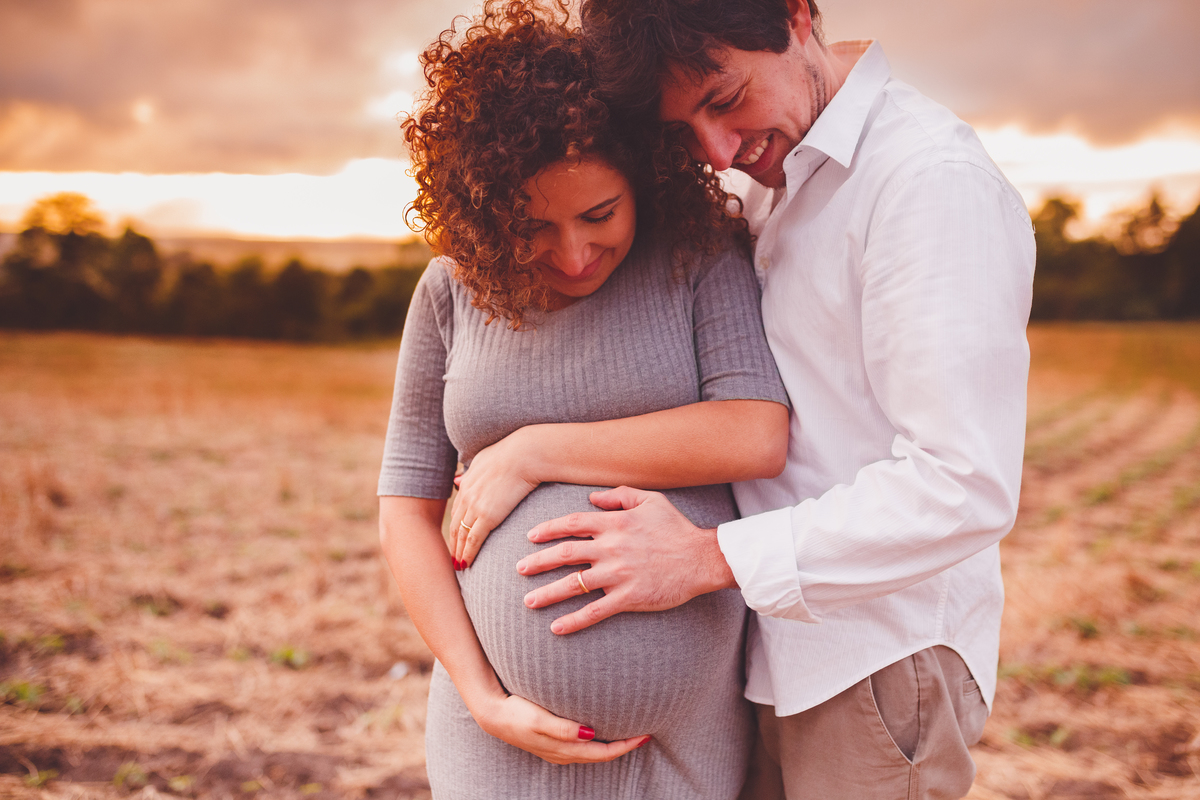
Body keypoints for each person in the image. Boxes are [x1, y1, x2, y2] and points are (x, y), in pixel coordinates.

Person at [514, 1, 1037, 797]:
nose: (718, 152)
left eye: (723, 99)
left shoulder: (928, 181)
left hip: (876, 660)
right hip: (774, 653)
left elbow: (962, 483)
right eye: (682, 129)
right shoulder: (771, 176)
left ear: (796, 15)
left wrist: (702, 557)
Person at [376, 2, 790, 797]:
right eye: (533, 225)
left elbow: (753, 431)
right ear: (488, 211)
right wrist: (481, 695)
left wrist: (532, 450)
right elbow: (404, 510)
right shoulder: (450, 291)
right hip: (495, 739)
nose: (572, 254)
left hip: (682, 737)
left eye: (600, 215)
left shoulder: (697, 258)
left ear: (643, 175)